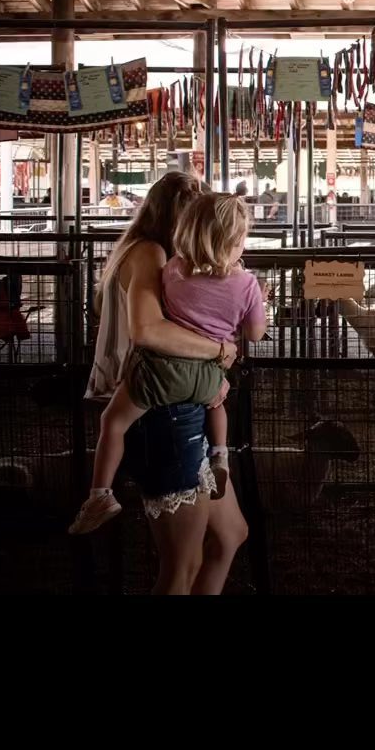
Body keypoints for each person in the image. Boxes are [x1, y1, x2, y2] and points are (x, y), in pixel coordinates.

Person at [77, 172, 250, 595]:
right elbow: (149, 331)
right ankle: (98, 493)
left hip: (177, 404)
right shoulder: (151, 254)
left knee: (230, 535)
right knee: (181, 564)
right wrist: (218, 351)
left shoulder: (156, 257)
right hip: (162, 410)